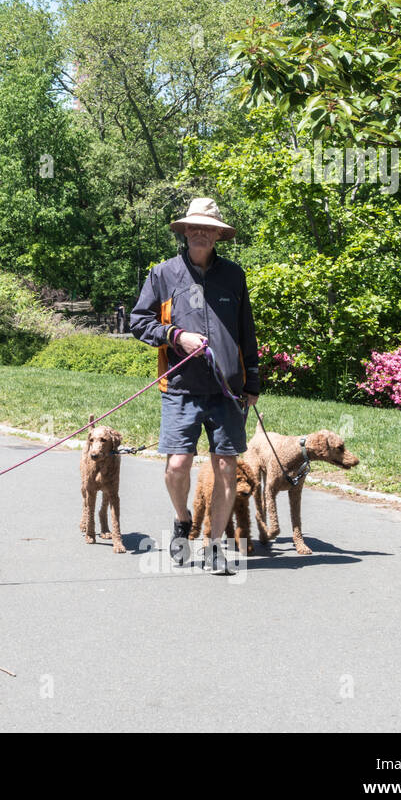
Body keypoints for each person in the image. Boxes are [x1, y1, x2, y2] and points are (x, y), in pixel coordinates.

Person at [129, 197, 260, 576]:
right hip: (181, 386)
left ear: (218, 234)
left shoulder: (234, 276)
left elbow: (246, 332)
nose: (201, 232)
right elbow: (139, 322)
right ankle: (182, 519)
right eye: (194, 226)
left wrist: (252, 380)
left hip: (228, 391)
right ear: (185, 231)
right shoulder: (163, 274)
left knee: (225, 466)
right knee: (177, 464)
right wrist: (175, 336)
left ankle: (214, 544)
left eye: (209, 228)